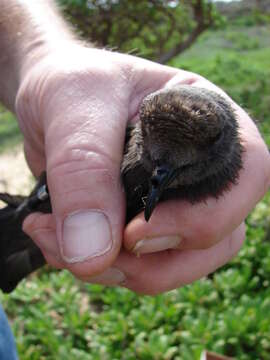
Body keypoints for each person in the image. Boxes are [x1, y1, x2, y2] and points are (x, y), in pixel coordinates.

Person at [0, 0, 269, 356]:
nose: (156, 174)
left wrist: (39, 55)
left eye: (177, 168)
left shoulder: (217, 166)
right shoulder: (132, 142)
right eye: (147, 148)